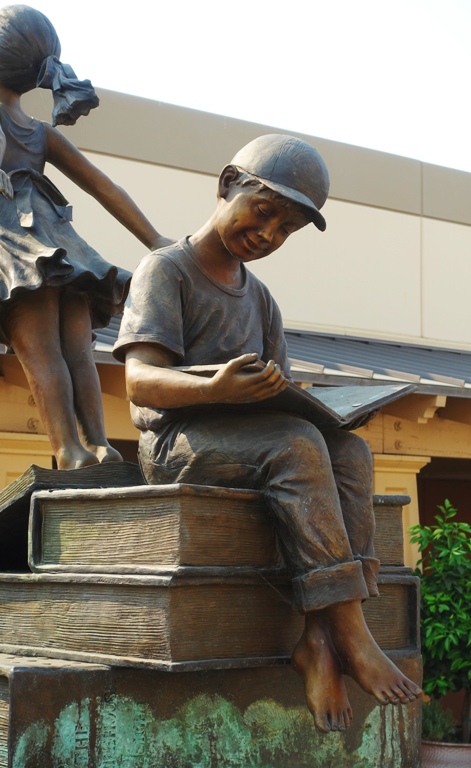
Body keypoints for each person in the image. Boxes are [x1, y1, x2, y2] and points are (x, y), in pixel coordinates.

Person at [114, 133, 422, 733]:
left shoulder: (262, 300)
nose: (268, 233)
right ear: (229, 183)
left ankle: (319, 637)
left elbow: (281, 397)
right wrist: (212, 390)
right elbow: (139, 383)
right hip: (177, 444)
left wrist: (323, 414)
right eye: (263, 211)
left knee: (350, 450)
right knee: (294, 444)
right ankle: (352, 631)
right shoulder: (165, 269)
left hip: (254, 441)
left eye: (285, 230)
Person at [0, 5, 171, 470]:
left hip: (21, 252)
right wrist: (156, 240)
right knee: (78, 352)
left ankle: (69, 450)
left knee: (41, 354)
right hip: (66, 252)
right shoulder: (38, 133)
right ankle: (100, 443)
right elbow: (103, 187)